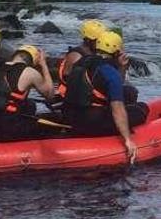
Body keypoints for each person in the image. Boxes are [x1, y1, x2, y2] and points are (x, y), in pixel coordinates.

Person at [62, 31, 146, 163]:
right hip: (89, 122)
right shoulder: (110, 73)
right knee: (141, 109)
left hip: (69, 116)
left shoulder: (82, 61)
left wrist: (121, 67)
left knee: (129, 92)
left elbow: (110, 87)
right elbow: (117, 108)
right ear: (117, 52)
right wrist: (128, 140)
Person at [0, 44, 55, 141]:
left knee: (29, 104)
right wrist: (44, 65)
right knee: (32, 109)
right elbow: (50, 94)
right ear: (33, 61)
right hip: (8, 125)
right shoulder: (30, 72)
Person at [55, 19, 106, 104]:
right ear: (88, 40)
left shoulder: (95, 53)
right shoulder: (76, 55)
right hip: (74, 98)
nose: (102, 42)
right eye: (98, 40)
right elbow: (67, 77)